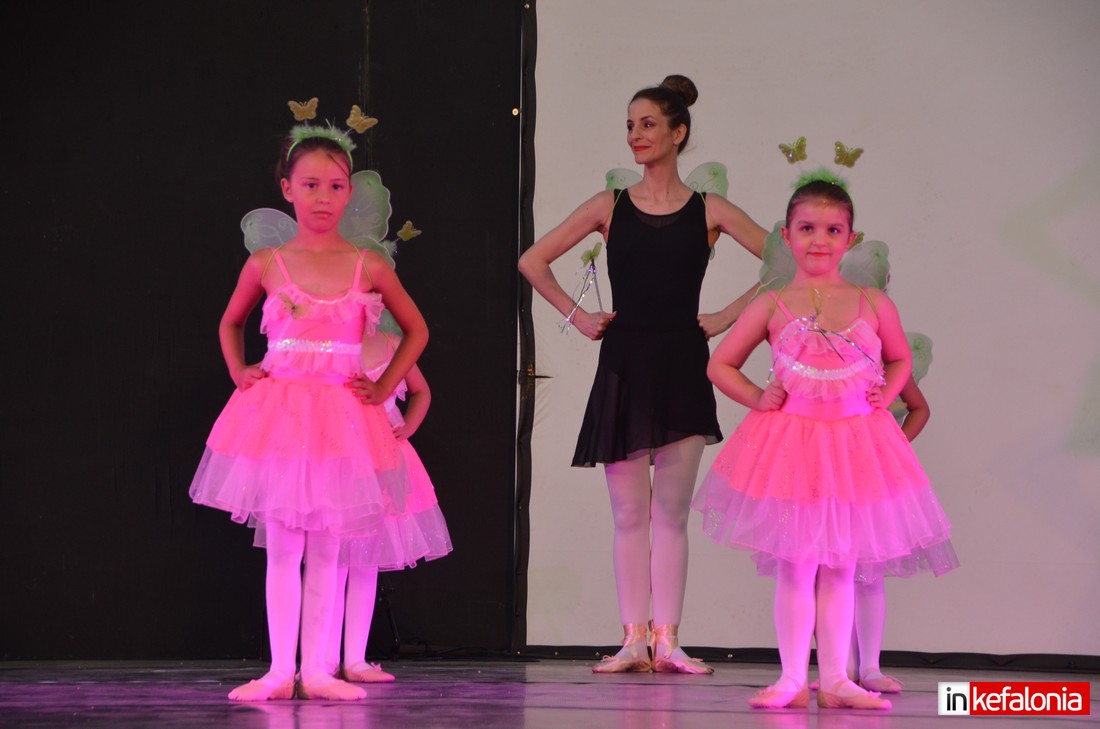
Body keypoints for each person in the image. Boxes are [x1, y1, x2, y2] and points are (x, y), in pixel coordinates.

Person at [518, 74, 767, 673]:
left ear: (679, 133)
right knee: (629, 514)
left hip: (683, 364)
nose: (635, 135)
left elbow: (784, 263)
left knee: (671, 515)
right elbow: (532, 260)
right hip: (625, 365)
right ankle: (633, 640)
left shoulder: (710, 210)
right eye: (630, 125)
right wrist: (578, 316)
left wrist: (728, 316)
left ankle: (669, 640)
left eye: (648, 124)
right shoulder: (609, 205)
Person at [693, 176, 955, 709]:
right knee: (796, 564)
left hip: (855, 446)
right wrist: (758, 396)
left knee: (841, 565)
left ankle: (836, 678)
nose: (819, 240)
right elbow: (720, 364)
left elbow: (899, 357)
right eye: (807, 228)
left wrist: (886, 396)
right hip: (794, 446)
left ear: (850, 239)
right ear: (787, 236)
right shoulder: (772, 303)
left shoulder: (872, 301)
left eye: (833, 230)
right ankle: (792, 677)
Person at [189, 123, 428, 701]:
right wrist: (239, 370)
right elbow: (230, 322)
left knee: (326, 548)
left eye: (336, 186)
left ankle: (317, 671)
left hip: (342, 420)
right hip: (281, 415)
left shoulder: (368, 265)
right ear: (288, 189)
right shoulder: (267, 262)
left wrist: (384, 387)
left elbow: (416, 331)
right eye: (312, 185)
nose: (324, 198)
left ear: (349, 193)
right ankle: (279, 672)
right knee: (283, 547)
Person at [327, 332, 452, 684]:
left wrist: (406, 427)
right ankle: (324, 659)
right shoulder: (329, 342)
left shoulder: (392, 344)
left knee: (365, 560)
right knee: (332, 561)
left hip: (382, 462)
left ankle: (354, 658)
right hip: (339, 459)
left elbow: (421, 391)